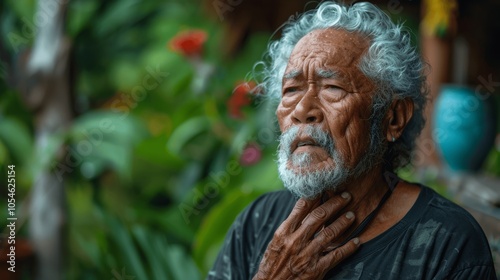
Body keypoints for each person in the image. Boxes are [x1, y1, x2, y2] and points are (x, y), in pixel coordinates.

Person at [208, 1, 497, 279]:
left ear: (393, 117)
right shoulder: (258, 222)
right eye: (292, 90)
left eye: (332, 88)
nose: (303, 111)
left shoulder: (447, 243)